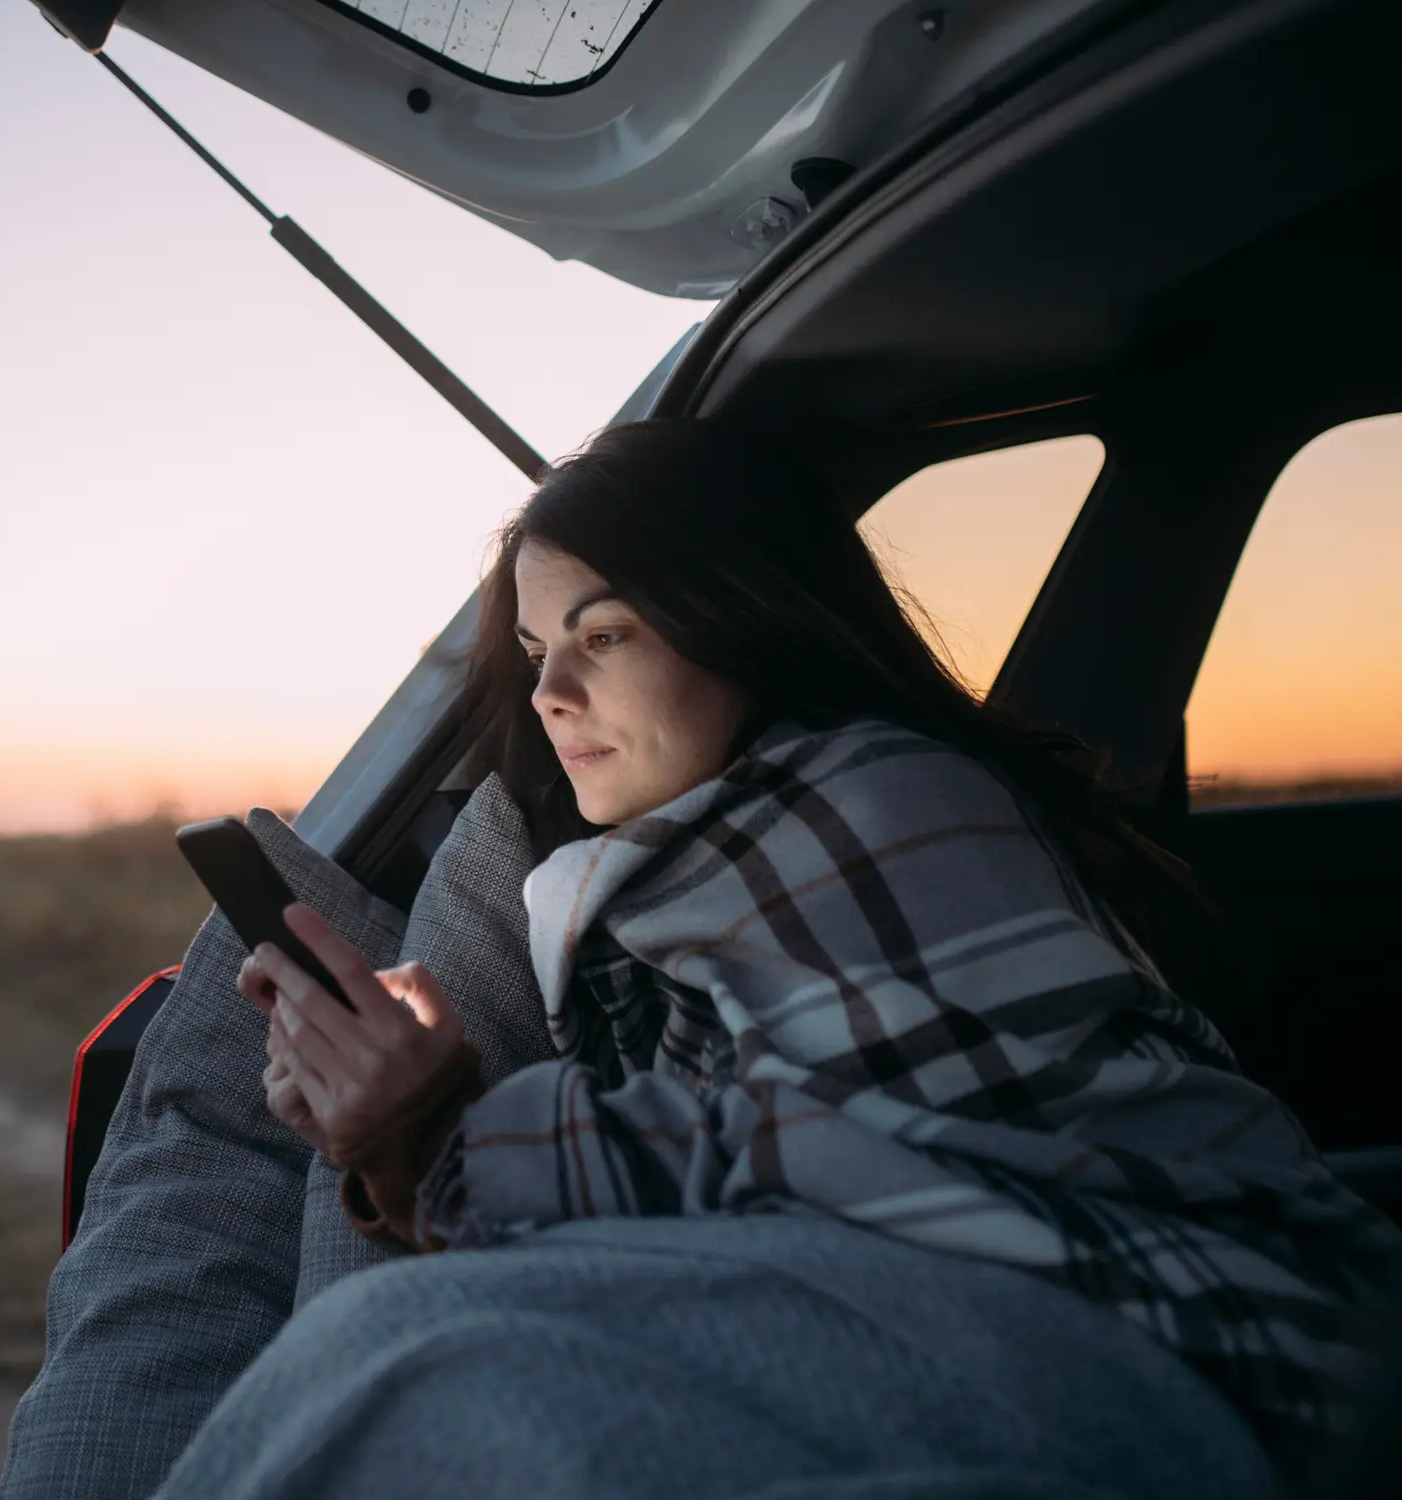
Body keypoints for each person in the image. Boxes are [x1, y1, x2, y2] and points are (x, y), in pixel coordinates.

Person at [153, 419, 1400, 1499]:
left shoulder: (880, 799)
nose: (548, 695)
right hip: (939, 1308)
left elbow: (856, 1154)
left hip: (1164, 1325)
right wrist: (397, 1126)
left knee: (410, 1372)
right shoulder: (660, 861)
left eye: (606, 636)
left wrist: (438, 1135)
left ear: (735, 617)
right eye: (536, 654)